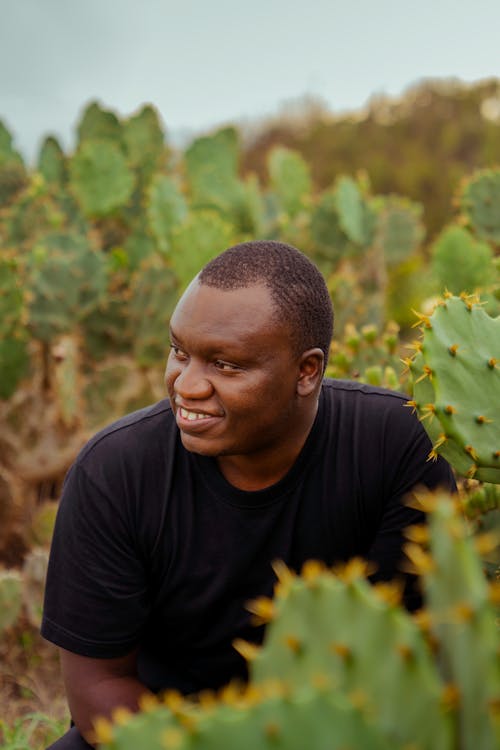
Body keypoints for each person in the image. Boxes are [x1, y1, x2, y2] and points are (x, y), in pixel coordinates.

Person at [42, 240, 455, 748]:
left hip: (342, 728)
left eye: (226, 365)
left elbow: (420, 645)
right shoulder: (114, 472)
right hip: (170, 734)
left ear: (307, 371)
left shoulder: (393, 447)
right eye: (180, 352)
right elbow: (97, 686)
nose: (186, 386)